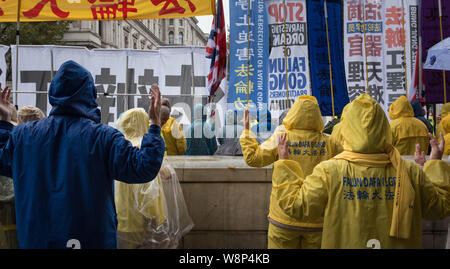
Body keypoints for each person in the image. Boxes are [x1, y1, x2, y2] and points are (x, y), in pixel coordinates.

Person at [0, 61, 165, 249]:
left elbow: (3, 160)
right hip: (89, 240)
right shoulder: (103, 137)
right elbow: (144, 167)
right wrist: (154, 124)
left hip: (37, 239)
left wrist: (5, 121)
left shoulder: (23, 135)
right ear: (89, 94)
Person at [272, 94, 449, 249]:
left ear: (346, 129)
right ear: (384, 126)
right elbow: (440, 209)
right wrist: (434, 163)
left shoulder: (329, 171)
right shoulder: (410, 171)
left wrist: (284, 162)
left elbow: (296, 207)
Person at [240, 95, 343, 249]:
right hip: (318, 220)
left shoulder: (281, 136)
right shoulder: (330, 142)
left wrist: (247, 132)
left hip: (283, 218)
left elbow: (253, 159)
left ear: (294, 112)